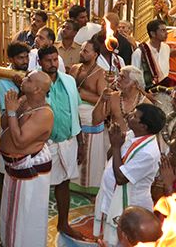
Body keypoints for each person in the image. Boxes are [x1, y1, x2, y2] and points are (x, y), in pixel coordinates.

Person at [93, 104, 165, 246]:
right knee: (109, 238)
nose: (129, 115)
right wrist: (115, 142)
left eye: (134, 116)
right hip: (112, 196)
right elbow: (112, 158)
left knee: (123, 241)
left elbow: (121, 179)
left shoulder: (148, 153)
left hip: (131, 207)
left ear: (143, 126)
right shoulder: (133, 135)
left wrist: (115, 145)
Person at [0, 71, 54, 247]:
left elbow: (20, 141)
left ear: (38, 89)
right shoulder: (23, 101)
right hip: (13, 169)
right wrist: (11, 110)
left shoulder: (45, 114)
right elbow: (4, 124)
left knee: (24, 217)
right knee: (11, 216)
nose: (23, 79)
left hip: (27, 173)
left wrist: (13, 112)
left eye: (29, 79)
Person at [38, 45, 83, 239]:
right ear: (40, 62)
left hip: (67, 141)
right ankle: (35, 228)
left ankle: (63, 224)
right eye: (48, 60)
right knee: (39, 187)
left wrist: (80, 142)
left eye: (55, 59)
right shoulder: (35, 82)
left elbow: (76, 112)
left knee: (64, 184)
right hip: (43, 145)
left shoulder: (69, 81)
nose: (52, 64)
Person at [0, 41, 30, 227]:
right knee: (2, 174)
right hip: (8, 132)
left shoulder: (27, 76)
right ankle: (1, 220)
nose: (25, 61)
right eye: (20, 58)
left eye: (26, 57)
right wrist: (23, 88)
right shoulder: (2, 83)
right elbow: (13, 110)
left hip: (25, 132)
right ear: (11, 59)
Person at [69, 40, 107, 194]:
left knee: (90, 152)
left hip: (90, 117)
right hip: (73, 115)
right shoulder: (74, 69)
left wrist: (83, 95)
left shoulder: (101, 73)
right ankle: (72, 183)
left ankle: (89, 187)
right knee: (73, 149)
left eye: (86, 51)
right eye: (82, 49)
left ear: (95, 54)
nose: (82, 53)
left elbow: (103, 98)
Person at [92, 66, 151, 131]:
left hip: (135, 140)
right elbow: (96, 121)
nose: (117, 79)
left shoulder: (146, 104)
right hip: (113, 139)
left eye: (123, 77)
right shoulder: (113, 97)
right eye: (119, 76)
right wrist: (102, 100)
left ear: (135, 84)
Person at [132, 19, 172, 89]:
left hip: (164, 90)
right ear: (153, 33)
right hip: (147, 91)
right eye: (163, 30)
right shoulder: (140, 52)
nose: (166, 33)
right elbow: (134, 76)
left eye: (166, 30)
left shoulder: (166, 48)